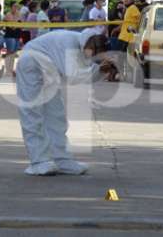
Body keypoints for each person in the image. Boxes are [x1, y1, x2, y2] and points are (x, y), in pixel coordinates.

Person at [16, 29, 116, 176]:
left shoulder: (80, 46)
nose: (93, 58)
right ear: (90, 45)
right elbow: (74, 76)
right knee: (32, 114)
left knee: (56, 116)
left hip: (49, 70)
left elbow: (84, 75)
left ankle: (62, 159)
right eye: (94, 53)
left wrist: (101, 70)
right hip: (31, 65)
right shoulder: (70, 44)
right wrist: (100, 69)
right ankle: (39, 161)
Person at [2, 2, 22, 78]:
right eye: (14, 6)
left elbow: (20, 24)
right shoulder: (8, 14)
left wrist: (17, 22)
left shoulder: (19, 14)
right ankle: (7, 70)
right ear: (11, 7)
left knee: (14, 53)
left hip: (17, 36)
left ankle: (11, 69)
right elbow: (12, 26)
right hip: (10, 36)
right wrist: (16, 22)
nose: (16, 8)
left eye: (17, 6)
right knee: (9, 52)